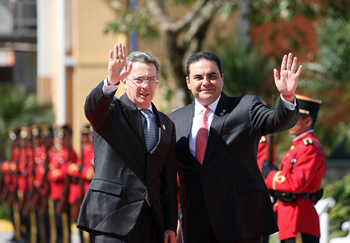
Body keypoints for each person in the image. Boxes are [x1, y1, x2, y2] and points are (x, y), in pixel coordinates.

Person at [168, 52, 302, 243]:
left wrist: (287, 96)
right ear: (188, 82)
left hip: (240, 220)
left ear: (222, 79)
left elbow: (278, 121)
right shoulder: (175, 119)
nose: (205, 82)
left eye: (212, 76)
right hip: (196, 223)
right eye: (198, 77)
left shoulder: (245, 107)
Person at [77, 43, 178, 243]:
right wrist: (110, 79)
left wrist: (169, 224)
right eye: (139, 79)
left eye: (151, 79)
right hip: (113, 218)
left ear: (157, 81)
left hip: (151, 222)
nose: (145, 86)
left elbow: (167, 182)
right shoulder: (111, 112)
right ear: (125, 81)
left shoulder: (166, 124)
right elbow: (92, 110)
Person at [262, 94, 325, 243]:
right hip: (290, 220)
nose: (290, 121)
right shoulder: (298, 146)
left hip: (299, 221)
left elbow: (296, 183)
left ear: (308, 121)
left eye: (295, 118)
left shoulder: (310, 148)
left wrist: (270, 175)